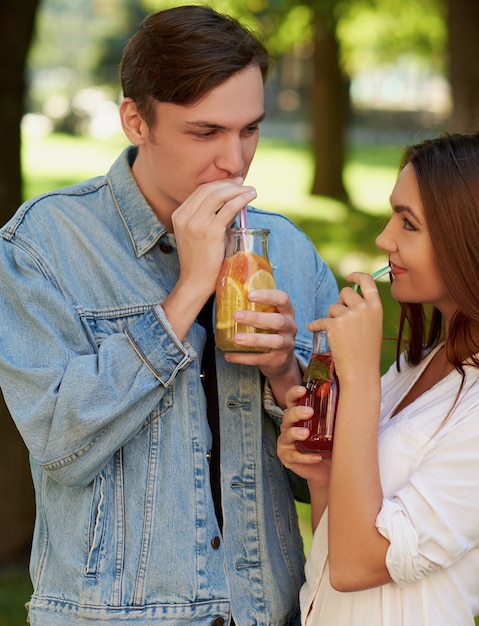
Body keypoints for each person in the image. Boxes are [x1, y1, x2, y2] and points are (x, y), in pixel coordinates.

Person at [0, 6, 338, 626]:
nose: (234, 161)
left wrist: (285, 375)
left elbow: (332, 481)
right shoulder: (43, 244)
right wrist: (187, 294)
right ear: (136, 120)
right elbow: (58, 446)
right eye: (205, 133)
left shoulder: (287, 250)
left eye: (251, 130)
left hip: (271, 613)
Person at [278, 130, 479, 625]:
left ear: (475, 242)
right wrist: (323, 477)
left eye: (408, 224)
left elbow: (357, 565)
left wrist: (360, 380)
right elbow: (333, 546)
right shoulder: (424, 363)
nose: (384, 239)